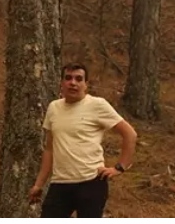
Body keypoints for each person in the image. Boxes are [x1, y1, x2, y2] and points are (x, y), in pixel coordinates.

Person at [29, 63, 138, 218]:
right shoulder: (54, 108)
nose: (73, 82)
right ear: (61, 82)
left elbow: (130, 134)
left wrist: (120, 167)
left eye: (78, 79)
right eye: (68, 78)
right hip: (60, 184)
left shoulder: (97, 105)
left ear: (86, 84)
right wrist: (39, 184)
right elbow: (49, 149)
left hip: (91, 183)